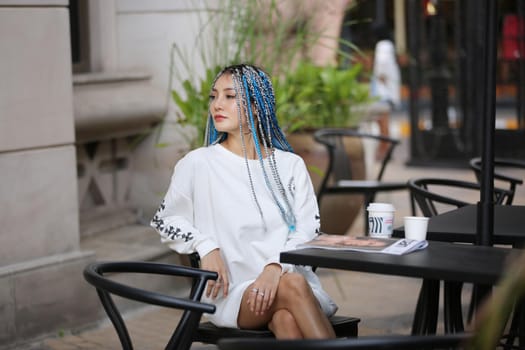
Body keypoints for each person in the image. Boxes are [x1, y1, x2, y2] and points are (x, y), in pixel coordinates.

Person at [151, 64, 338, 339]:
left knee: (286, 320)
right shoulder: (198, 163)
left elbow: (308, 231)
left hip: (291, 285)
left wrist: (275, 267)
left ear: (256, 106)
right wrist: (206, 246)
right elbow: (165, 220)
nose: (217, 104)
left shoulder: (289, 165)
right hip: (234, 294)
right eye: (214, 96)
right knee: (293, 286)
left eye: (229, 96)